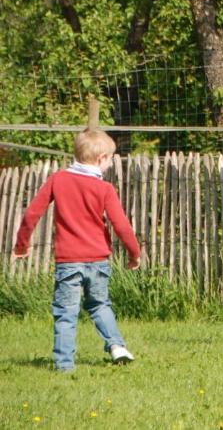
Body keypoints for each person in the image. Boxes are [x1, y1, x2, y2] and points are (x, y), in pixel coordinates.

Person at [12, 128, 141, 372]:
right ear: (101, 158)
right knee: (100, 305)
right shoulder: (104, 189)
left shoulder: (58, 179)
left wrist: (21, 245)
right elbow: (121, 225)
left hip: (68, 261)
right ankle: (116, 345)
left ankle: (64, 365)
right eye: (111, 159)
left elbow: (32, 213)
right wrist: (134, 254)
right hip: (98, 260)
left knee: (65, 312)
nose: (110, 164)